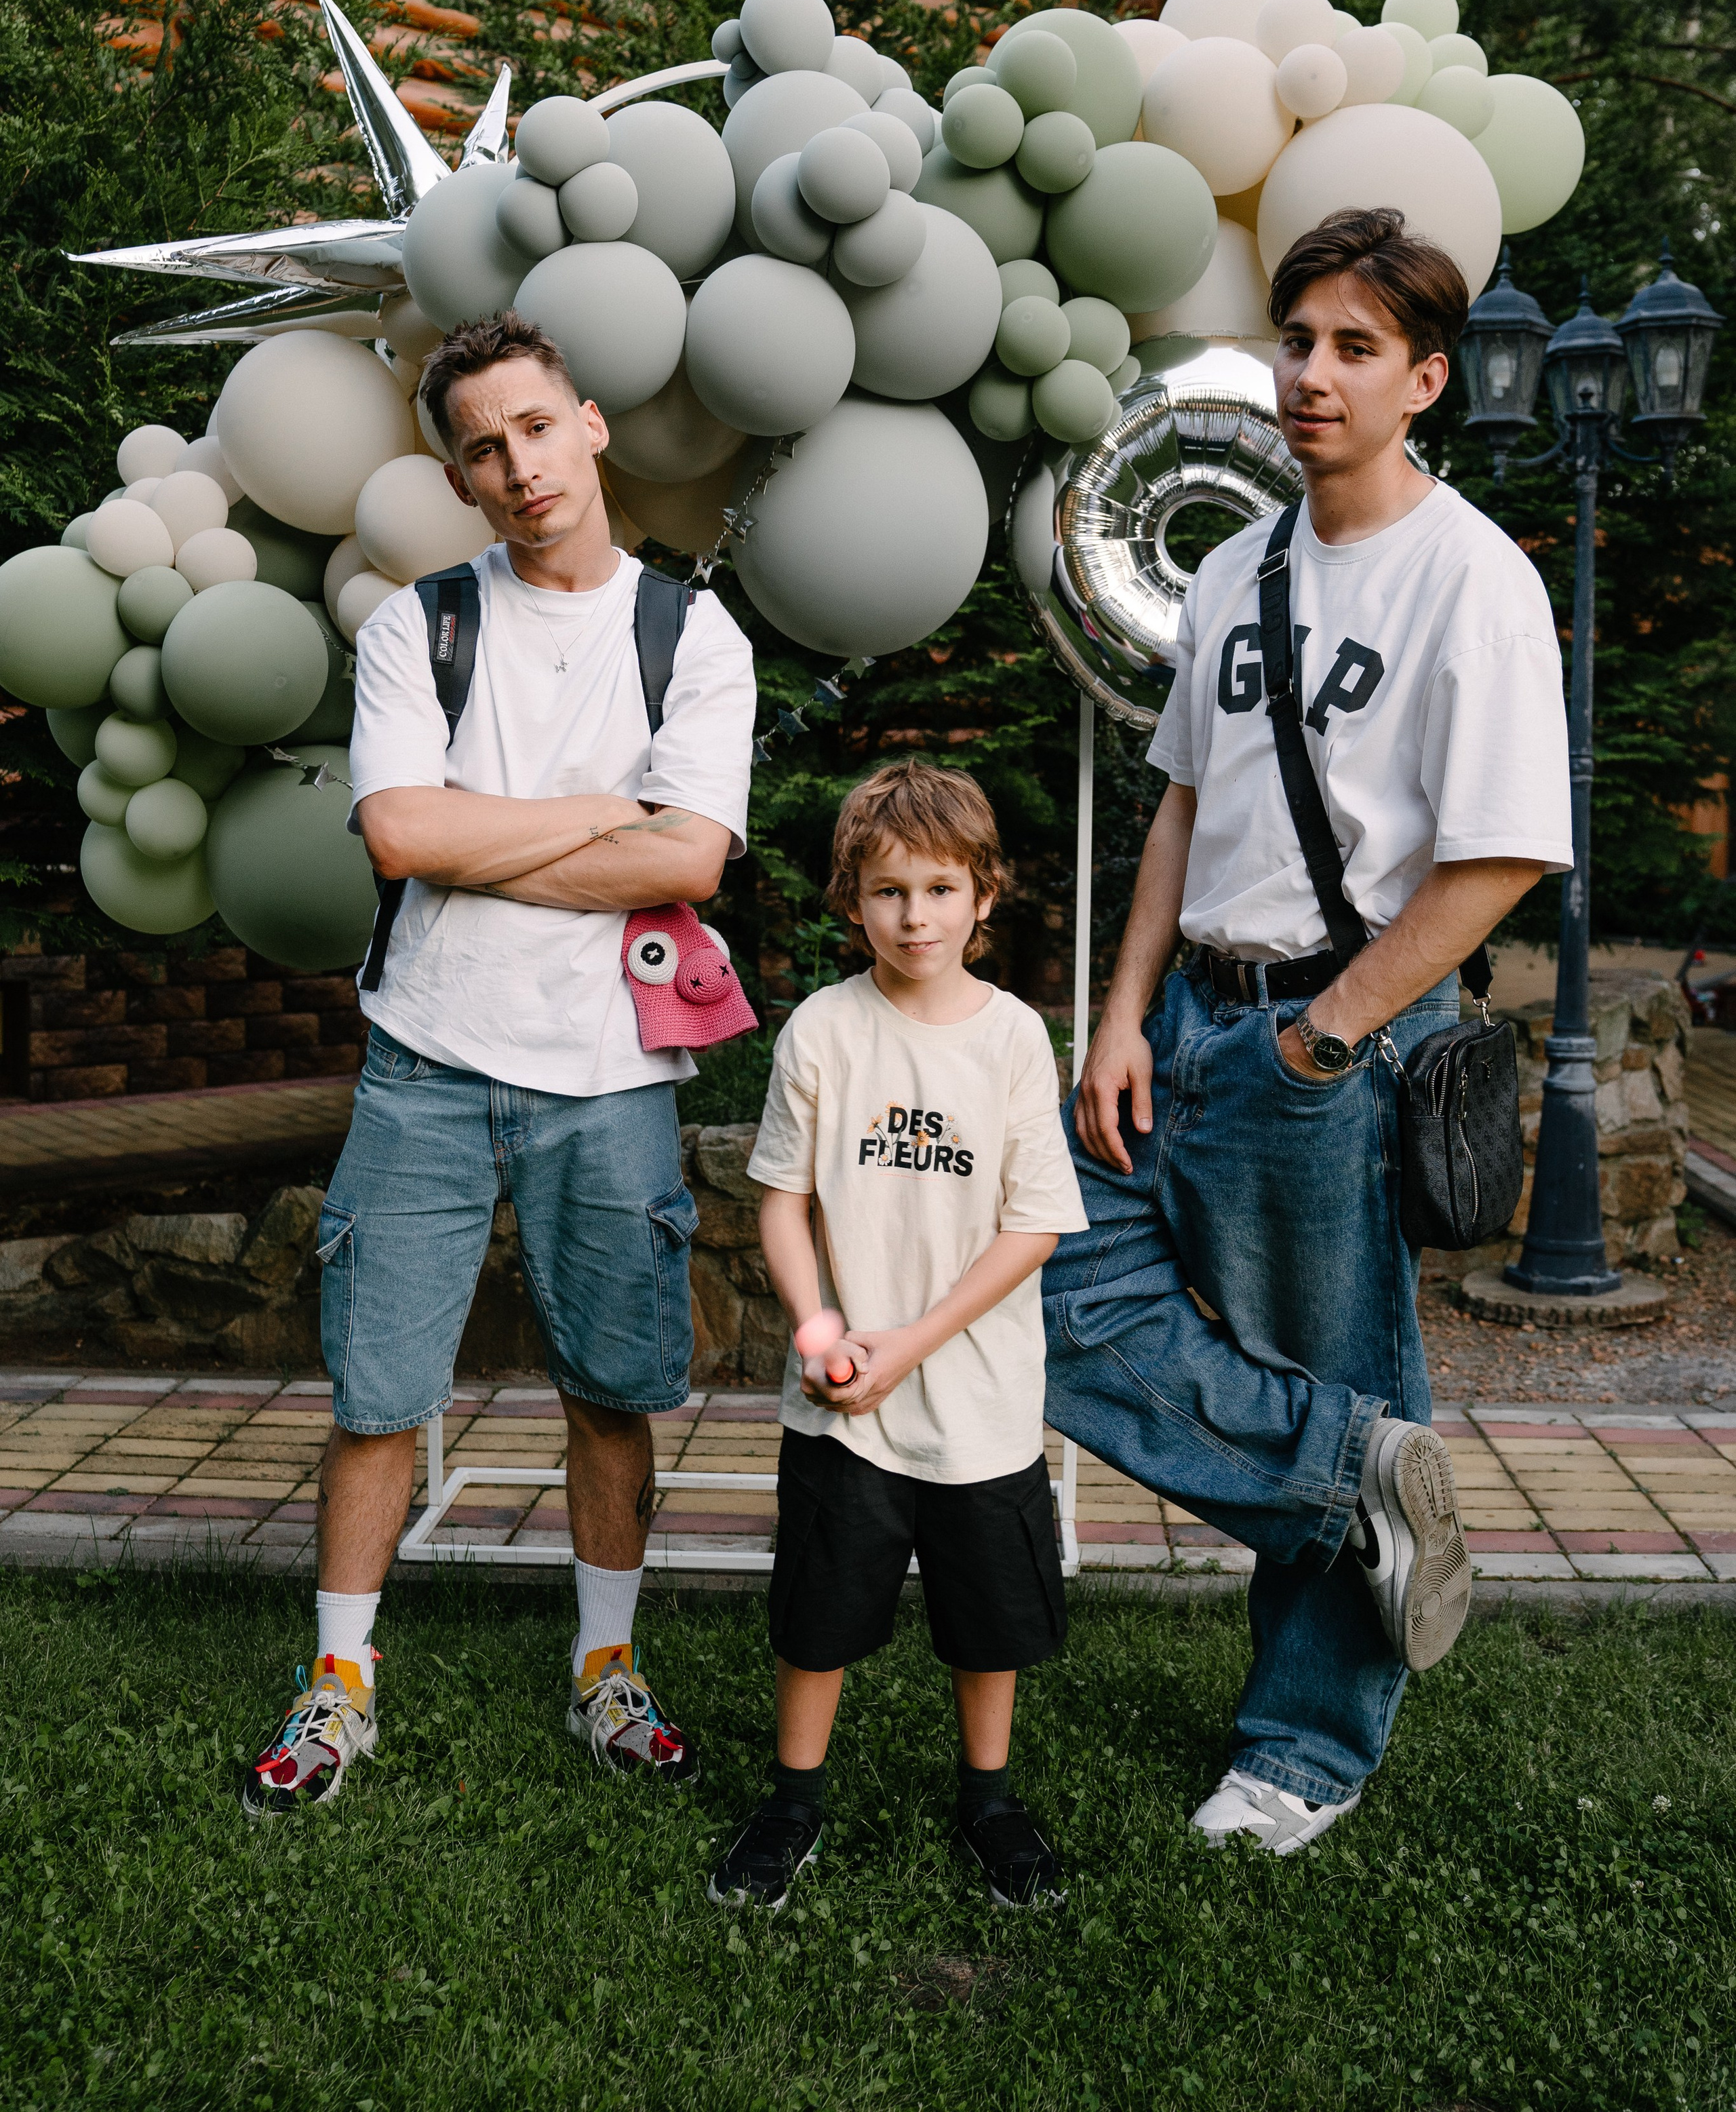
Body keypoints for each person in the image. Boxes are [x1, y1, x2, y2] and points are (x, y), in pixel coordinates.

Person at [1044, 208, 1573, 1855]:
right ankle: (1364, 1476)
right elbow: (1179, 809)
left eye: (1354, 348)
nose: (1310, 375)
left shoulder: (1471, 577)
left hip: (1326, 1040)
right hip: (1187, 1013)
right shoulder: (1232, 566)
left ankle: (1299, 1751)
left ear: (1422, 378)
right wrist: (1117, 1015)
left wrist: (1327, 1037)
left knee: (1312, 1363)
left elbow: (1496, 856)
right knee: (1050, 1293)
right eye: (1295, 339)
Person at [241, 309, 756, 1819]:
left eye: (536, 428)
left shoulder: (688, 633)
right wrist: (609, 813)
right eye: (482, 447)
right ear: (461, 477)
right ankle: (339, 1683)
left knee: (609, 1390)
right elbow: (404, 836)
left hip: (610, 1072)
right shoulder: (421, 626)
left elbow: (698, 860)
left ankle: (609, 1664)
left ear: (588, 426)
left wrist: (499, 829)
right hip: (427, 1060)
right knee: (377, 1394)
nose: (516, 465)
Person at [710, 761, 1086, 1913]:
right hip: (839, 1396)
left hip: (974, 1397)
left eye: (938, 888)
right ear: (851, 897)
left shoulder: (1017, 1036)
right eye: (886, 891)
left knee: (989, 1618)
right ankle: (792, 1799)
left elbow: (1034, 1226)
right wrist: (823, 1332)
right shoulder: (823, 1029)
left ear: (984, 896)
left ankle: (990, 1800)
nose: (912, 914)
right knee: (818, 1611)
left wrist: (909, 1342)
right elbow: (780, 1198)